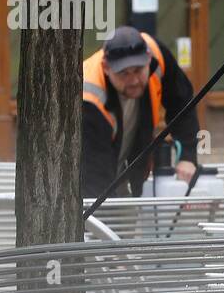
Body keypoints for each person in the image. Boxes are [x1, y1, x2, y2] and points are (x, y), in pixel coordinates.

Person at [82, 26, 199, 199]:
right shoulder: (89, 97)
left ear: (148, 58)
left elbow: (182, 102)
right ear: (106, 68)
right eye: (123, 73)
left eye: (138, 70)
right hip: (89, 175)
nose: (134, 80)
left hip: (124, 165)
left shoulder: (156, 53)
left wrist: (188, 156)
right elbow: (96, 181)